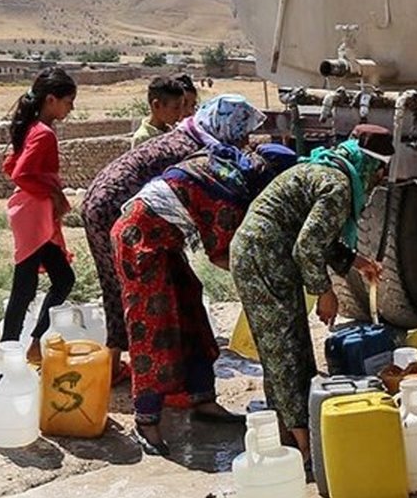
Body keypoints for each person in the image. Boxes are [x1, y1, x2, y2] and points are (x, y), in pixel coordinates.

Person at [113, 142, 298, 455]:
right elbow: (225, 256)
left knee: (190, 313)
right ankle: (146, 421)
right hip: (139, 240)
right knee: (152, 328)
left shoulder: (231, 172)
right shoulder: (228, 195)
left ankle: (203, 400)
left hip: (165, 241)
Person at [230, 125, 393, 459]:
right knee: (285, 351)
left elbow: (317, 237)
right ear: (371, 166)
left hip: (265, 254)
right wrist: (325, 292)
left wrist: (358, 262)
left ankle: (290, 435)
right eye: (380, 175)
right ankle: (306, 450)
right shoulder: (338, 186)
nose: (377, 184)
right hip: (264, 257)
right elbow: (307, 246)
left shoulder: (323, 169)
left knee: (289, 347)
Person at [82, 94, 266, 384]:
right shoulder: (197, 150)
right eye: (242, 132)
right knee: (147, 294)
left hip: (100, 201)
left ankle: (116, 366)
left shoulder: (189, 134)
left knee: (118, 284)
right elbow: (209, 229)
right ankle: (154, 381)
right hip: (120, 209)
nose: (244, 140)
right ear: (227, 126)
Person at [0, 68, 79, 363]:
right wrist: (54, 193)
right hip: (34, 215)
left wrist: (48, 190)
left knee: (59, 278)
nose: (71, 108)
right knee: (27, 285)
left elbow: (10, 165)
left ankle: (29, 344)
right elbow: (21, 173)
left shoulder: (32, 127)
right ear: (50, 100)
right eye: (68, 101)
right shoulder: (43, 133)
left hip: (31, 212)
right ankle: (12, 350)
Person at [130, 76, 185, 149]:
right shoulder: (142, 139)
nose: (180, 112)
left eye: (182, 107)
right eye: (176, 108)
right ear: (156, 105)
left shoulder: (174, 131)